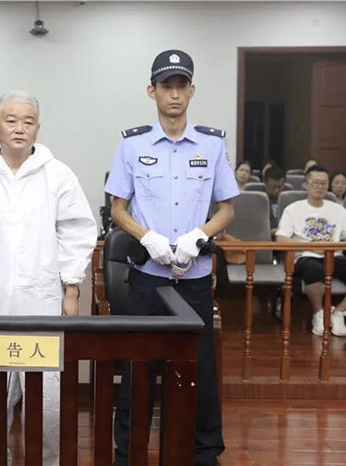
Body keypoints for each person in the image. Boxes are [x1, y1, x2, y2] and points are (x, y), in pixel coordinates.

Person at [0, 90, 97, 466]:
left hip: (41, 304)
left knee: (48, 402)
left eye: (28, 122)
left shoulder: (58, 176)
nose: (19, 128)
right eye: (11, 121)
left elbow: (78, 232)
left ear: (38, 129)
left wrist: (71, 289)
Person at [105, 49, 237, 466]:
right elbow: (117, 209)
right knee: (138, 368)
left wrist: (200, 234)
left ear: (192, 91)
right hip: (149, 275)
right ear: (152, 91)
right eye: (167, 86)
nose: (174, 94)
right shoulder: (132, 144)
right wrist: (148, 237)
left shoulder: (212, 143)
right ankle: (128, 454)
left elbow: (227, 209)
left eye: (182, 86)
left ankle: (204, 454)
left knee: (200, 369)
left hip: (194, 276)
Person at [276, 165, 346, 337]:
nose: (320, 187)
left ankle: (338, 312)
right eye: (316, 183)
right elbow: (281, 239)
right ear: (306, 185)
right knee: (314, 271)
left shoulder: (338, 210)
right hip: (305, 256)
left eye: (324, 183)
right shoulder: (293, 209)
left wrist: (333, 246)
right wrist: (312, 247)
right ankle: (319, 313)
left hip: (334, 255)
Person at [263, 166, 287, 237]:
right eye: (273, 187)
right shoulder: (257, 201)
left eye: (279, 187)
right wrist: (269, 232)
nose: (276, 190)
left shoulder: (290, 200)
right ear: (265, 183)